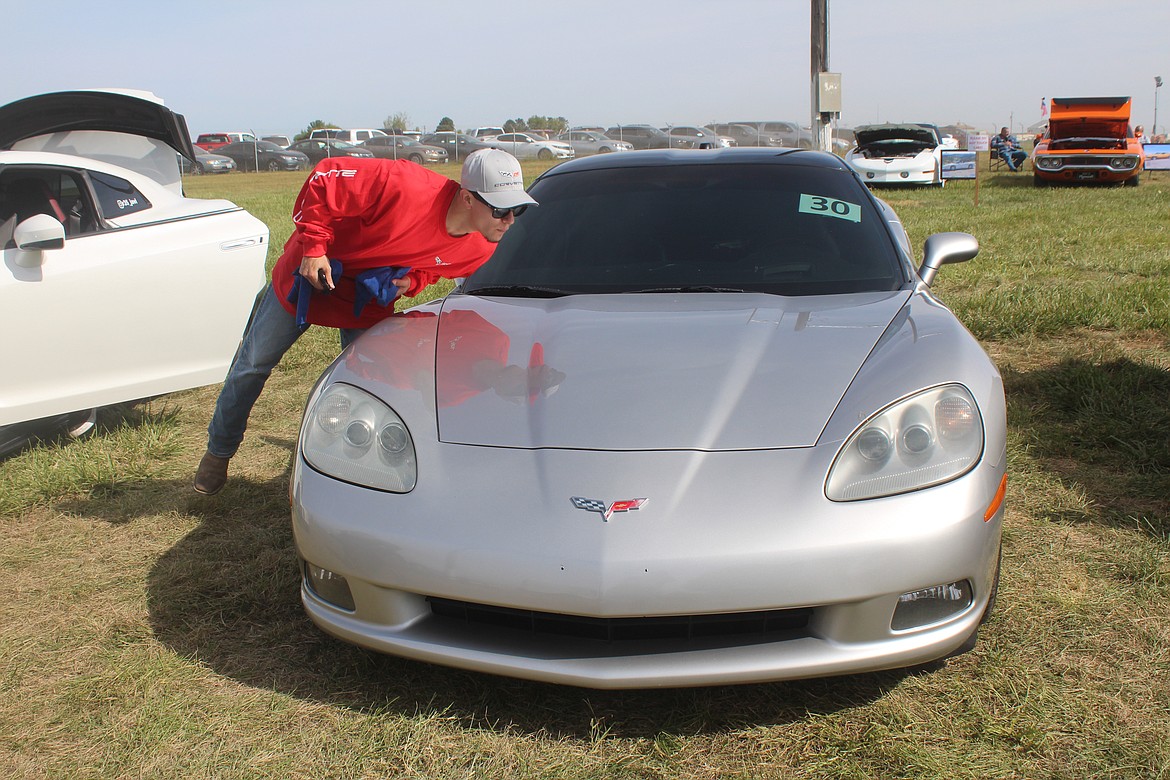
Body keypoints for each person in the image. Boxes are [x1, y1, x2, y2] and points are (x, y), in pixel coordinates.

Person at [193, 148, 536, 495]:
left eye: (517, 210)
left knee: (376, 385)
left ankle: (358, 471)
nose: (509, 220)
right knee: (253, 364)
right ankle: (218, 452)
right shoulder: (405, 186)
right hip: (309, 275)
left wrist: (411, 282)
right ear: (466, 198)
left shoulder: (481, 248)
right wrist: (313, 248)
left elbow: (433, 268)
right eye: (500, 209)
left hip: (364, 296)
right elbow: (325, 176)